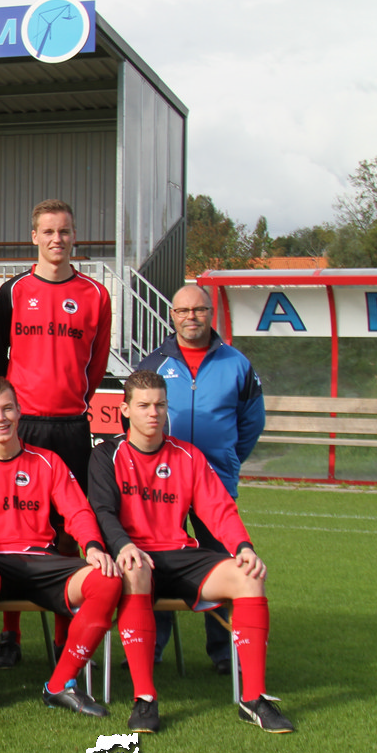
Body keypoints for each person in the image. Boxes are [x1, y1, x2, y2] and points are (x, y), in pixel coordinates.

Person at [89, 371, 294, 733]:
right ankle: (145, 698)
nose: (153, 413)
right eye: (144, 405)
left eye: (160, 405)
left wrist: (244, 547)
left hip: (180, 553)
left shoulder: (187, 455)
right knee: (136, 569)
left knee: (248, 576)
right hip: (134, 556)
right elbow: (102, 511)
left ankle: (254, 699)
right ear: (125, 409)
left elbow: (220, 509)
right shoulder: (107, 454)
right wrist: (124, 546)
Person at [0, 376, 122, 718]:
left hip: (42, 561)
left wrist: (93, 546)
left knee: (107, 580)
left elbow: (78, 510)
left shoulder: (47, 461)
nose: (0, 418)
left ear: (19, 410)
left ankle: (61, 684)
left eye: (7, 409)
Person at [0, 199, 112, 669]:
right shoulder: (13, 291)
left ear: (74, 235)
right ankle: (10, 634)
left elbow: (96, 365)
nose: (57, 239)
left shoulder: (96, 295)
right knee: (13, 525)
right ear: (34, 236)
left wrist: (71, 398)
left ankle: (64, 636)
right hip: (24, 425)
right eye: (49, 231)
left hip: (72, 426)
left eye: (65, 231)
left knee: (67, 532)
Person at [135, 284, 265, 674]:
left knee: (222, 561)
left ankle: (223, 651)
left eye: (199, 310)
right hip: (161, 485)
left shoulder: (237, 363)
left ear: (211, 313)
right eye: (183, 310)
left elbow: (252, 422)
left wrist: (226, 459)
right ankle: (152, 647)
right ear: (172, 315)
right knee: (157, 559)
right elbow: (139, 420)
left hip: (215, 482)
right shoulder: (153, 363)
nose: (191, 317)